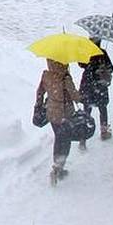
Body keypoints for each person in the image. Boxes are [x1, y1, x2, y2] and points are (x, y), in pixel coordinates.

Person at [36, 58, 78, 186]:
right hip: (65, 113)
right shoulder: (65, 77)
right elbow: (74, 95)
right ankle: (58, 167)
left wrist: (39, 104)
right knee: (65, 140)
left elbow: (40, 92)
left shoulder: (46, 75)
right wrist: (81, 97)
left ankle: (56, 165)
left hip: (52, 113)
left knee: (58, 137)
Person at [80, 39, 113, 141]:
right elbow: (111, 68)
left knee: (87, 110)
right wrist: (103, 68)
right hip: (100, 85)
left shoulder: (86, 52)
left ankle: (83, 136)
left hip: (87, 84)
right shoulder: (102, 52)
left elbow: (81, 64)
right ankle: (104, 131)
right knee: (102, 108)